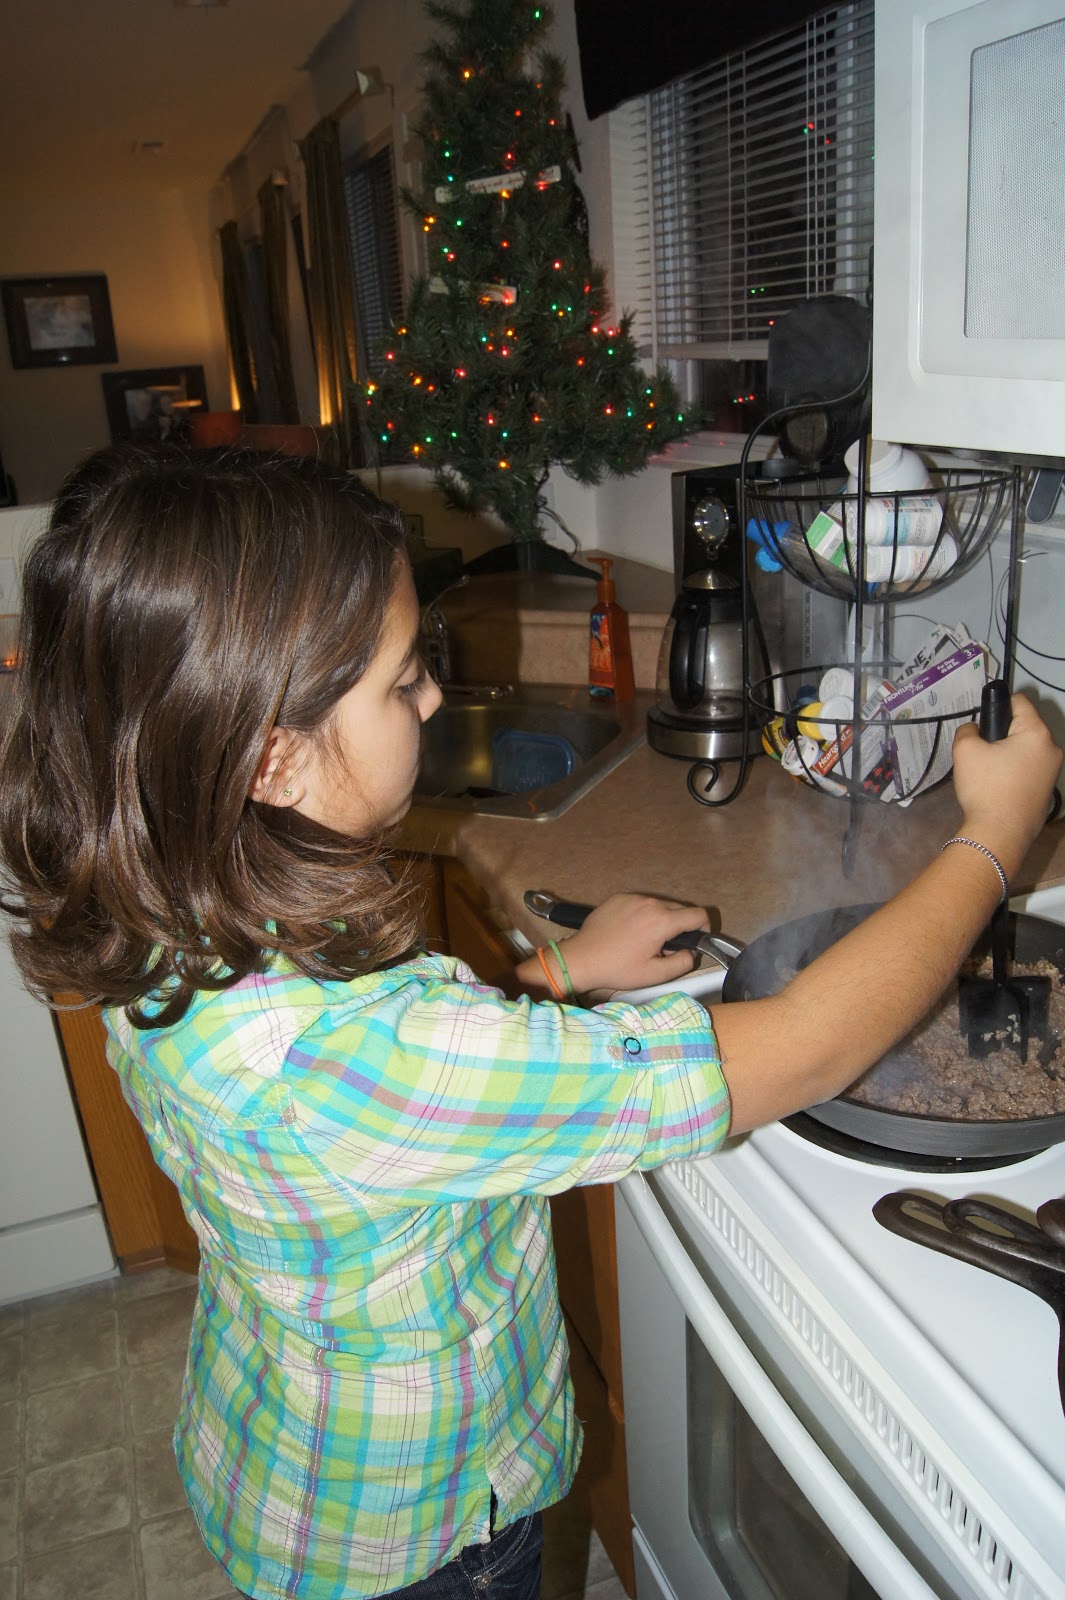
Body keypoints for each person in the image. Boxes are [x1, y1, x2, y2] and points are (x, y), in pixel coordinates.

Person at [0, 443, 1059, 1600]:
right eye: (404, 679)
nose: (433, 697)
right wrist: (994, 837)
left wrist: (564, 970)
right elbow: (809, 1045)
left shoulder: (173, 912)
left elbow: (400, 1094)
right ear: (272, 757)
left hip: (282, 1440)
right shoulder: (344, 1057)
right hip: (417, 1536)